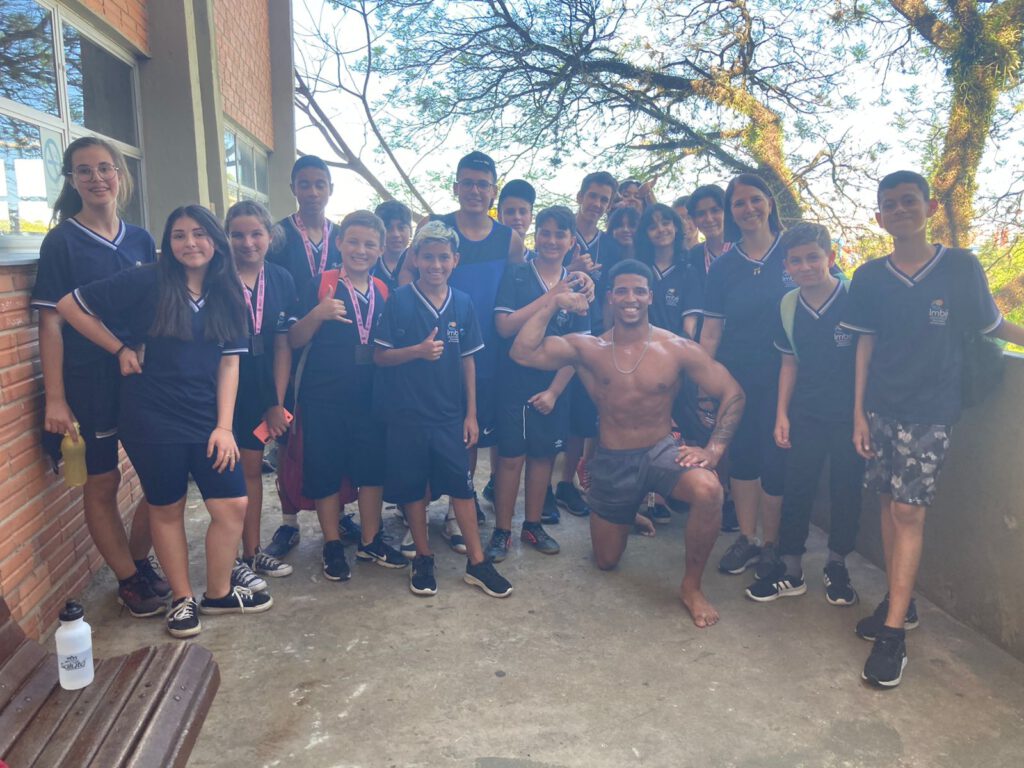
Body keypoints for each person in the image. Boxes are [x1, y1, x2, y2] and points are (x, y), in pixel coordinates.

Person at [840, 171, 1024, 687]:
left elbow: (992, 325)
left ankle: (893, 636)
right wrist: (858, 412)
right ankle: (901, 604)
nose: (900, 210)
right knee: (884, 501)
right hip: (880, 408)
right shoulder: (871, 276)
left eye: (908, 201)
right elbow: (865, 345)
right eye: (890, 205)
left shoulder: (961, 267)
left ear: (929, 207)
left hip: (932, 410)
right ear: (879, 218)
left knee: (907, 511)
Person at [57, 205, 273, 639]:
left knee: (232, 505)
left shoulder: (228, 291)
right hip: (150, 416)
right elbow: (68, 306)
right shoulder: (148, 280)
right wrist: (118, 348)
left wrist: (224, 426)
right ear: (167, 243)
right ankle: (181, 601)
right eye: (178, 235)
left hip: (208, 418)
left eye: (199, 234)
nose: (189, 243)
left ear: (216, 241)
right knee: (167, 506)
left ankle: (217, 592)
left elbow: (230, 366)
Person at [511, 259, 744, 627]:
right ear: (611, 297)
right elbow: (522, 352)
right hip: (612, 460)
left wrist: (713, 450)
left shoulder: (676, 348)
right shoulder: (589, 348)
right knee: (606, 561)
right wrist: (553, 302)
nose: (630, 298)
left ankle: (691, 586)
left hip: (661, 451)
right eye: (622, 290)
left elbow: (732, 391)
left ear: (650, 296)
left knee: (708, 490)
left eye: (638, 290)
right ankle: (629, 507)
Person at [31, 136, 168, 619]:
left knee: (161, 476)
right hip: (88, 382)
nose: (97, 179)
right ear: (71, 180)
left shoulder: (140, 240)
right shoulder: (62, 241)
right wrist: (55, 399)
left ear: (121, 175)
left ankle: (139, 559)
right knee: (103, 482)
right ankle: (129, 581)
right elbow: (51, 322)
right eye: (84, 171)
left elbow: (152, 308)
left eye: (105, 168)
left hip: (140, 379)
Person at [374, 221, 513, 598]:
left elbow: (469, 361)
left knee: (462, 489)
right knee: (414, 489)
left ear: (455, 260)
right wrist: (416, 352)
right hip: (407, 415)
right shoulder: (400, 300)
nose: (436, 264)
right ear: (415, 258)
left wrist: (471, 413)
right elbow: (380, 356)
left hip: (450, 415)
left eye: (443, 257)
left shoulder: (463, 303)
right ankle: (422, 556)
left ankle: (478, 562)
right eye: (428, 256)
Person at [396, 151, 525, 553]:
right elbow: (406, 284)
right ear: (455, 186)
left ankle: (458, 509)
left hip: (489, 358)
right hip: (436, 357)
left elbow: (519, 293)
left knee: (471, 438)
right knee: (430, 439)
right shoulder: (435, 229)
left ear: (493, 190)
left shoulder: (510, 239)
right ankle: (418, 512)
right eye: (467, 182)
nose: (474, 190)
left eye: (482, 184)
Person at [744, 223, 862, 605]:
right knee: (798, 487)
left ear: (830, 257)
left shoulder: (853, 298)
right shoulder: (789, 304)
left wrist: (863, 415)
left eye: (813, 257)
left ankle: (837, 565)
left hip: (849, 416)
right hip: (806, 412)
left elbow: (869, 359)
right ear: (787, 266)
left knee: (846, 488)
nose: (806, 265)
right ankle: (791, 570)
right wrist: (782, 414)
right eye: (796, 260)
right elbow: (789, 363)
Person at [288, 210, 407, 582]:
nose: (361, 250)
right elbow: (292, 340)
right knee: (324, 469)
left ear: (380, 248)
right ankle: (332, 543)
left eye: (370, 244)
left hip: (370, 397)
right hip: (323, 396)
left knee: (371, 469)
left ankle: (371, 540)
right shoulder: (319, 284)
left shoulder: (384, 290)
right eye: (353, 241)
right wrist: (318, 314)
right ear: (339, 243)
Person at [701, 173, 796, 580]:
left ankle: (772, 545)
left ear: (770, 203)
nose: (749, 209)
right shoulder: (723, 266)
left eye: (756, 200)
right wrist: (704, 382)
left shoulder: (794, 252)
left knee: (776, 461)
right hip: (737, 377)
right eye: (739, 203)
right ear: (731, 212)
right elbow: (711, 330)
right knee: (742, 460)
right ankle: (747, 537)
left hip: (787, 379)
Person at [264, 156, 356, 559]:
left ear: (331, 189)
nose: (313, 192)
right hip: (286, 340)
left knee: (336, 436)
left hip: (333, 350)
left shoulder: (342, 236)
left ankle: (338, 510)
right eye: (305, 184)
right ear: (293, 189)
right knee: (288, 432)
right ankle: (288, 521)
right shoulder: (280, 235)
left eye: (320, 184)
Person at [488, 206, 591, 562]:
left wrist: (555, 391)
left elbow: (580, 348)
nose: (550, 240)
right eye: (544, 232)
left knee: (543, 456)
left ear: (571, 241)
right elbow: (503, 327)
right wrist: (551, 298)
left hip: (554, 386)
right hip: (513, 381)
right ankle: (502, 530)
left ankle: (532, 524)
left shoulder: (580, 285)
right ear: (536, 236)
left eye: (559, 234)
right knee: (510, 458)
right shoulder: (516, 275)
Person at [225, 201, 296, 587]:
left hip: (262, 385)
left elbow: (284, 345)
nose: (248, 242)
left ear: (270, 236)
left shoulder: (282, 279)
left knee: (252, 469)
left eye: (256, 234)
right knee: (226, 474)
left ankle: (250, 553)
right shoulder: (216, 276)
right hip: (221, 384)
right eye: (238, 234)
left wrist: (276, 403)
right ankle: (231, 555)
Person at [557, 171, 618, 518]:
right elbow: (542, 271)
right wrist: (571, 267)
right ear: (580, 195)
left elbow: (610, 295)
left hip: (593, 335)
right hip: (555, 331)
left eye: (603, 200)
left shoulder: (609, 244)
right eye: (592, 196)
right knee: (549, 405)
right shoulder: (562, 232)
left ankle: (566, 483)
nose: (596, 204)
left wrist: (608, 336)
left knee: (582, 413)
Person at [634, 203, 703, 340]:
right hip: (639, 349)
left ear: (676, 227)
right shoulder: (638, 271)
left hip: (676, 351)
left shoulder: (688, 272)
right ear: (646, 234)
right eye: (653, 227)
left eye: (665, 223)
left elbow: (690, 327)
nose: (660, 230)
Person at [372, 200, 413, 293]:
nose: (396, 234)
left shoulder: (419, 265)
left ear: (411, 230)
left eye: (401, 228)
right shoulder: (370, 265)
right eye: (388, 228)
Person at [497, 179, 537, 261]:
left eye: (522, 212)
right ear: (500, 217)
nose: (517, 217)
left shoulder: (540, 263)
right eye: (510, 212)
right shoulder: (487, 257)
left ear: (531, 218)